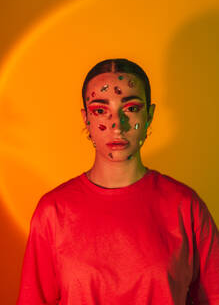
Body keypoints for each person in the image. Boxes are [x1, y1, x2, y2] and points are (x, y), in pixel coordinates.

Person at [16, 58, 219, 304]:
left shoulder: (185, 206)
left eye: (131, 108)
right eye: (101, 110)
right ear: (86, 119)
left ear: (149, 115)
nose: (116, 125)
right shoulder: (53, 212)